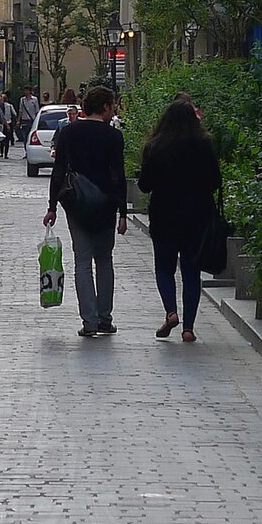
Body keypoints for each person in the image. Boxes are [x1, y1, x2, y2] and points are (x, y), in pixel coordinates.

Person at [44, 85, 128, 339]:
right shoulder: (114, 137)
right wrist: (123, 212)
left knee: (82, 261)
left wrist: (52, 207)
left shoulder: (69, 132)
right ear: (104, 107)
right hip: (105, 204)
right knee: (104, 260)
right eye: (111, 106)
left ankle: (89, 320)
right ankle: (105, 318)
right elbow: (119, 176)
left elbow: (58, 171)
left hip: (77, 204)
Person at [137, 98, 221, 343]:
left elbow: (144, 185)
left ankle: (171, 312)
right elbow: (216, 181)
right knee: (191, 271)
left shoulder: (155, 146)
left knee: (164, 267)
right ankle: (189, 328)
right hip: (197, 215)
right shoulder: (204, 145)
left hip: (164, 215)